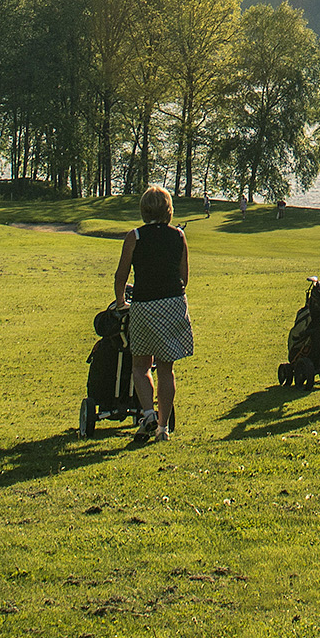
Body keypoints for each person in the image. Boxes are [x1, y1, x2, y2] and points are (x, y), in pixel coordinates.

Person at [111, 185, 193, 445]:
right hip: (173, 303)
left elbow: (121, 276)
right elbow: (184, 277)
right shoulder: (178, 236)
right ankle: (163, 427)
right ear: (168, 210)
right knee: (166, 369)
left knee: (140, 365)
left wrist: (121, 301)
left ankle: (147, 413)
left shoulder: (134, 237)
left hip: (145, 305)